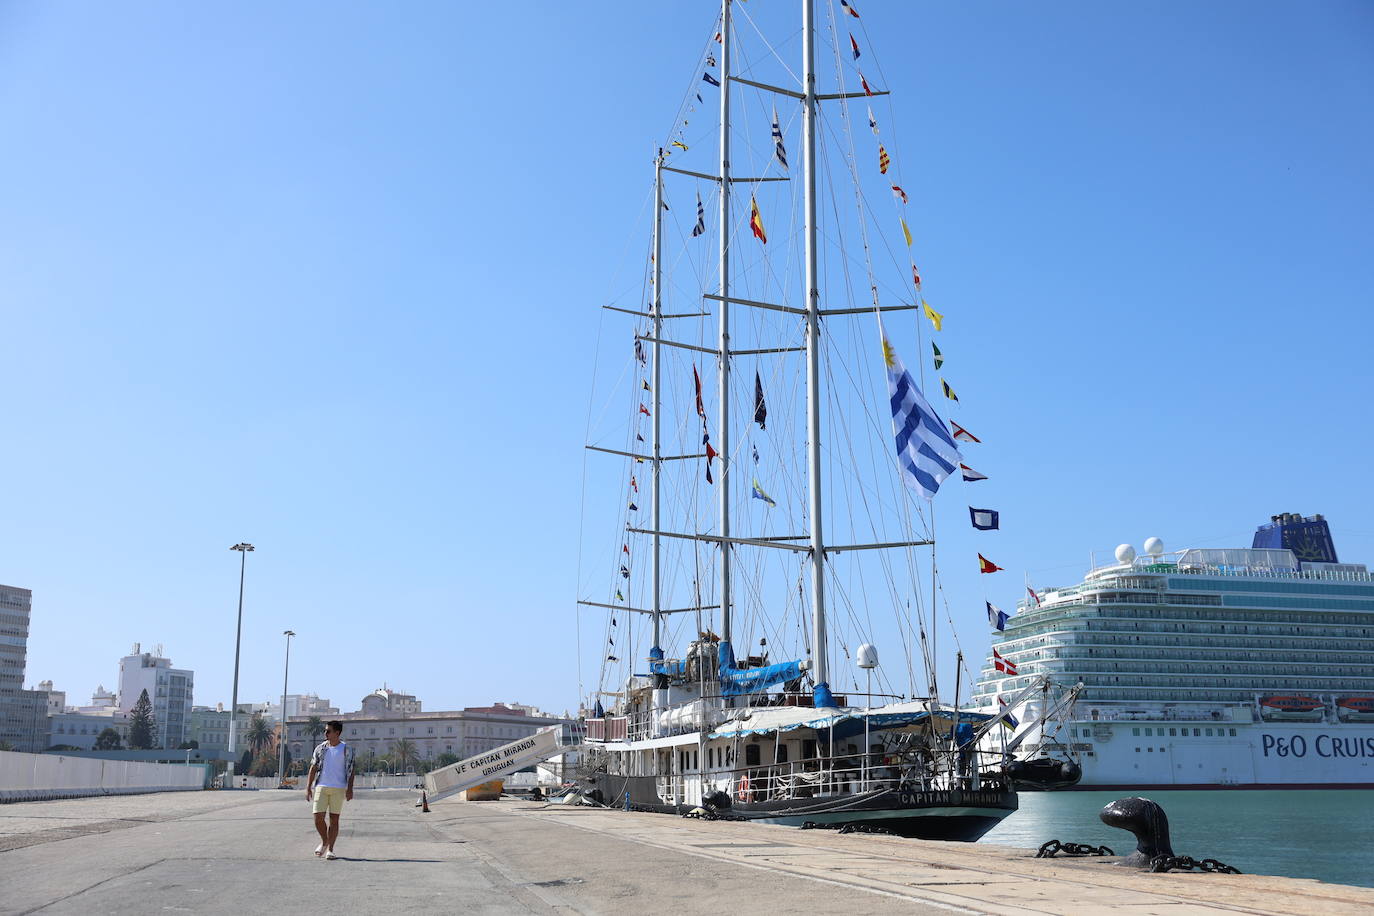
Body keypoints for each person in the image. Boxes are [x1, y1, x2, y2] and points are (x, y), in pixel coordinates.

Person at [305, 720, 355, 859]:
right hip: (321, 786)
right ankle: (325, 841)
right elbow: (313, 767)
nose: (325, 733)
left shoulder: (346, 749)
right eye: (325, 730)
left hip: (338, 788)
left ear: (337, 733)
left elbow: (351, 770)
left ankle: (330, 850)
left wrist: (350, 789)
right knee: (318, 818)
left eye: (328, 731)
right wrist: (308, 787)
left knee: (334, 820)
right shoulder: (320, 749)